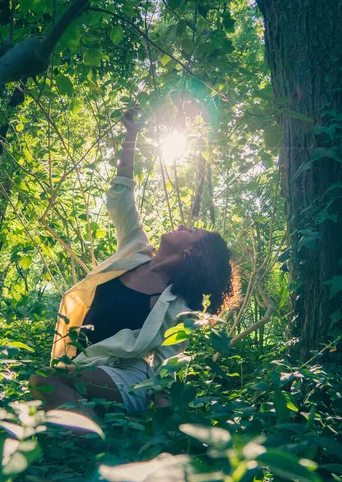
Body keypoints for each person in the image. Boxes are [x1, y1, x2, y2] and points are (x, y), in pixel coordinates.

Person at [29, 109, 234, 415]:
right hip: (86, 367)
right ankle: (90, 440)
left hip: (127, 380)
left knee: (45, 381)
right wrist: (131, 135)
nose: (181, 226)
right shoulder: (135, 250)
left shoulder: (178, 304)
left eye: (189, 231)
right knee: (40, 401)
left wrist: (162, 429)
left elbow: (168, 367)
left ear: (192, 253)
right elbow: (121, 197)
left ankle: (91, 441)